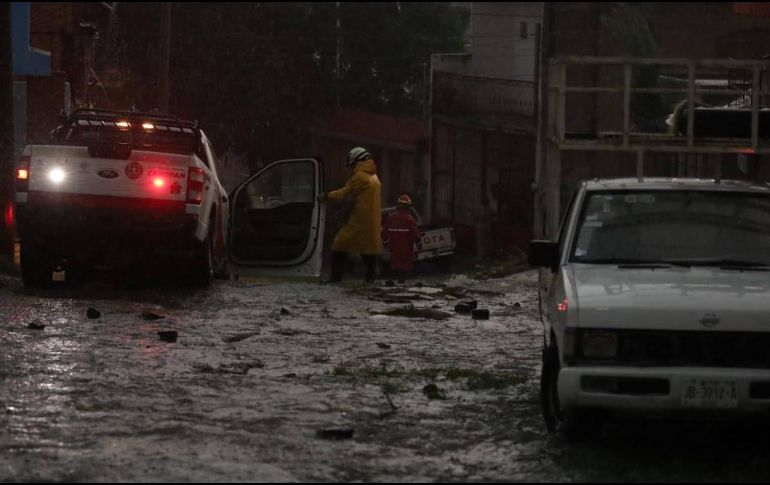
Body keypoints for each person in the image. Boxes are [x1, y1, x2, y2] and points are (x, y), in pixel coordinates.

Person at [318, 147, 382, 283]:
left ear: (356, 161)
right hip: (372, 221)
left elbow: (344, 192)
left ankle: (335, 279)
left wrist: (326, 196)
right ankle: (370, 280)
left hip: (358, 219)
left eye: (352, 164)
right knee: (368, 251)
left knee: (339, 246)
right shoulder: (374, 177)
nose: (351, 168)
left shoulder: (360, 177)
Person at [382, 194, 421, 284]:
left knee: (395, 266)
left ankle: (394, 285)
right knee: (403, 269)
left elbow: (384, 233)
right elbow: (416, 235)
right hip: (406, 249)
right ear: (408, 206)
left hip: (394, 249)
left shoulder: (391, 218)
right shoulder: (409, 219)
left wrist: (386, 244)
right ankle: (401, 284)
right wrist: (419, 246)